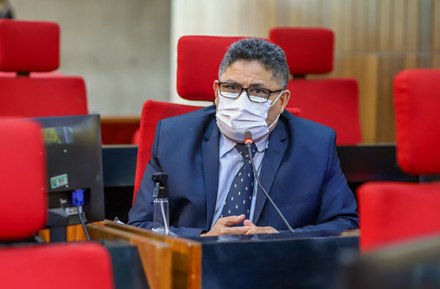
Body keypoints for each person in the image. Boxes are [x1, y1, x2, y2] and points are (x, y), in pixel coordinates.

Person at [128, 37, 359, 238]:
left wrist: (281, 239)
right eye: (231, 87)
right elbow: (141, 226)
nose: (241, 101)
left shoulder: (316, 145)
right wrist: (204, 238)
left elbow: (346, 224)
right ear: (217, 92)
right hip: (196, 265)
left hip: (277, 268)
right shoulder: (173, 138)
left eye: (258, 91)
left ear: (282, 101)